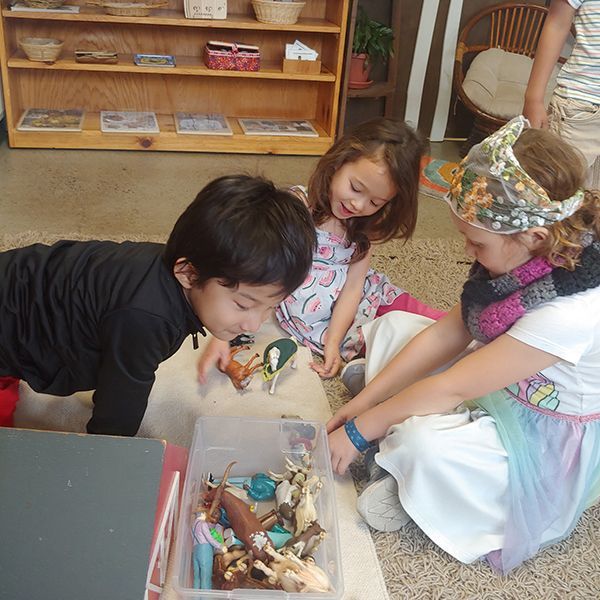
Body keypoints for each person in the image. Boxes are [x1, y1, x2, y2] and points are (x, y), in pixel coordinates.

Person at [327, 116, 600, 574]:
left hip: (535, 426)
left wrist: (359, 430)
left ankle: (407, 476)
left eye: (475, 243)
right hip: (493, 380)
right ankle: (390, 417)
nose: (468, 253)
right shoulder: (522, 260)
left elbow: (452, 386)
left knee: (422, 444)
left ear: (532, 237)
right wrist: (367, 406)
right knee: (395, 325)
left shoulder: (570, 312)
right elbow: (448, 333)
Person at [0, 175, 315, 435]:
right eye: (244, 305)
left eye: (270, 307)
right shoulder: (147, 318)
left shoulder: (176, 268)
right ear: (188, 273)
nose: (254, 325)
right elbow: (118, 408)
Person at [198, 118, 444, 382]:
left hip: (372, 298)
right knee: (410, 352)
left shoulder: (362, 230)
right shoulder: (295, 208)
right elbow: (252, 267)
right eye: (355, 188)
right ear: (338, 163)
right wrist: (222, 335)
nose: (358, 204)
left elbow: (353, 289)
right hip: (337, 325)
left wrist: (333, 340)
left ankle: (488, 347)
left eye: (375, 201)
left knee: (446, 328)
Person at [523, 0, 600, 188]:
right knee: (558, 193)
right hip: (580, 107)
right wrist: (533, 98)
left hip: (580, 109)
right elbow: (557, 23)